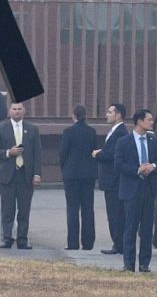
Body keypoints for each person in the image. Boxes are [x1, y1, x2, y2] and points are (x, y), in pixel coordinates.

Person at [114, 109, 157, 272]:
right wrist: (137, 169)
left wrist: (153, 166)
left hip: (149, 189)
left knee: (147, 228)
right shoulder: (124, 142)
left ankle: (144, 263)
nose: (152, 122)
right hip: (131, 189)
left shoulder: (154, 140)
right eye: (149, 119)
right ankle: (128, 263)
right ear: (139, 121)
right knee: (130, 227)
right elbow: (118, 165)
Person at [0, 102, 42, 249]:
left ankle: (22, 239)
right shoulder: (1, 128)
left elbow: (37, 154)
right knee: (8, 208)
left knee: (24, 209)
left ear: (24, 111)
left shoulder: (32, 130)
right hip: (7, 175)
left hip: (25, 175)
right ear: (10, 111)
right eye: (14, 109)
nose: (17, 112)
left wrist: (37, 174)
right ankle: (7, 238)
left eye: (19, 109)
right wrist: (8, 152)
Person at [60, 104, 97, 250]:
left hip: (71, 174)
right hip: (88, 174)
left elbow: (63, 152)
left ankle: (73, 243)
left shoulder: (68, 131)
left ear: (73, 115)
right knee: (88, 208)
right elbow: (93, 151)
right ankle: (88, 243)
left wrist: (64, 168)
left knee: (72, 209)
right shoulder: (91, 131)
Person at [93, 103, 128, 254]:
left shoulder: (120, 132)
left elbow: (113, 154)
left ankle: (119, 244)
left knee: (115, 213)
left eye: (110, 112)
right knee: (113, 212)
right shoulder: (114, 131)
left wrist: (98, 154)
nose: (107, 115)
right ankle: (118, 243)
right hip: (110, 181)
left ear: (118, 114)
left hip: (114, 181)